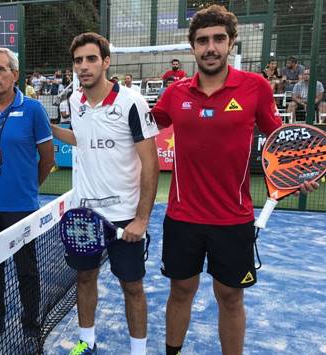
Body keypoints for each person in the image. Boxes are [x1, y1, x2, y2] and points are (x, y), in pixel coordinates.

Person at [150, 6, 319, 355]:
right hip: (182, 217)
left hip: (234, 218)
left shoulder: (255, 87)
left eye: (218, 39)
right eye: (202, 41)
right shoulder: (175, 94)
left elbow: (283, 142)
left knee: (230, 297)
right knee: (180, 290)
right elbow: (139, 130)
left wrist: (299, 173)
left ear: (230, 43)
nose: (210, 47)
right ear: (192, 47)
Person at [52, 32, 159, 355]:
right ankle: (87, 341)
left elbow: (150, 163)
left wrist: (141, 219)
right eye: (78, 61)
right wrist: (44, 129)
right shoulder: (74, 101)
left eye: (91, 59)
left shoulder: (131, 103)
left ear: (106, 62)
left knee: (132, 287)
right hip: (84, 215)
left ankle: (138, 351)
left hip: (125, 217)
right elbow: (81, 139)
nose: (84, 67)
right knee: (84, 280)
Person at [0, 47, 55, 347]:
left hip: (22, 209)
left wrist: (29, 187)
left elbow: (47, 159)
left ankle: (31, 325)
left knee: (27, 271)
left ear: (14, 74)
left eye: (0, 69)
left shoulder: (33, 110)